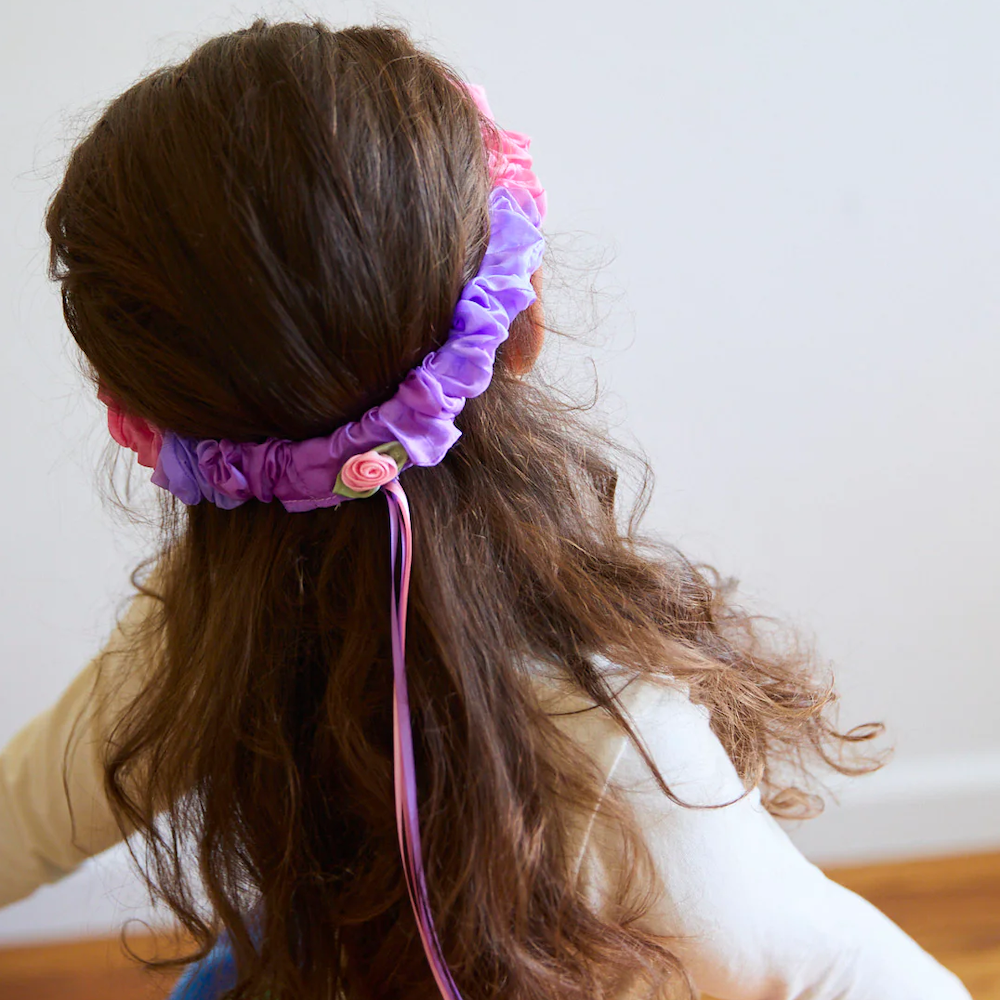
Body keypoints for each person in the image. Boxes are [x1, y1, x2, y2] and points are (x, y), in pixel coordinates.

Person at [0, 17, 972, 1000]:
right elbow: (847, 975)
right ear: (523, 319)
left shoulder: (194, 632)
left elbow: (17, 822)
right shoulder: (619, 755)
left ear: (154, 433)